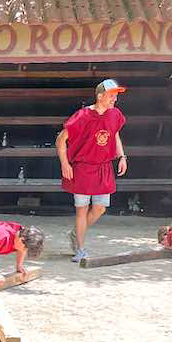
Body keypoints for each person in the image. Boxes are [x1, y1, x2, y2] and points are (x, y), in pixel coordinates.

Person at [57, 79, 128, 262]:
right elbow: (60, 139)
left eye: (116, 96)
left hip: (104, 167)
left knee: (100, 208)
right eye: (111, 95)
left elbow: (115, 135)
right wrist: (65, 164)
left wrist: (122, 157)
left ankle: (75, 233)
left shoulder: (115, 115)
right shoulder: (82, 116)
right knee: (82, 210)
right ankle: (80, 248)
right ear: (100, 96)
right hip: (83, 168)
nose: (114, 99)